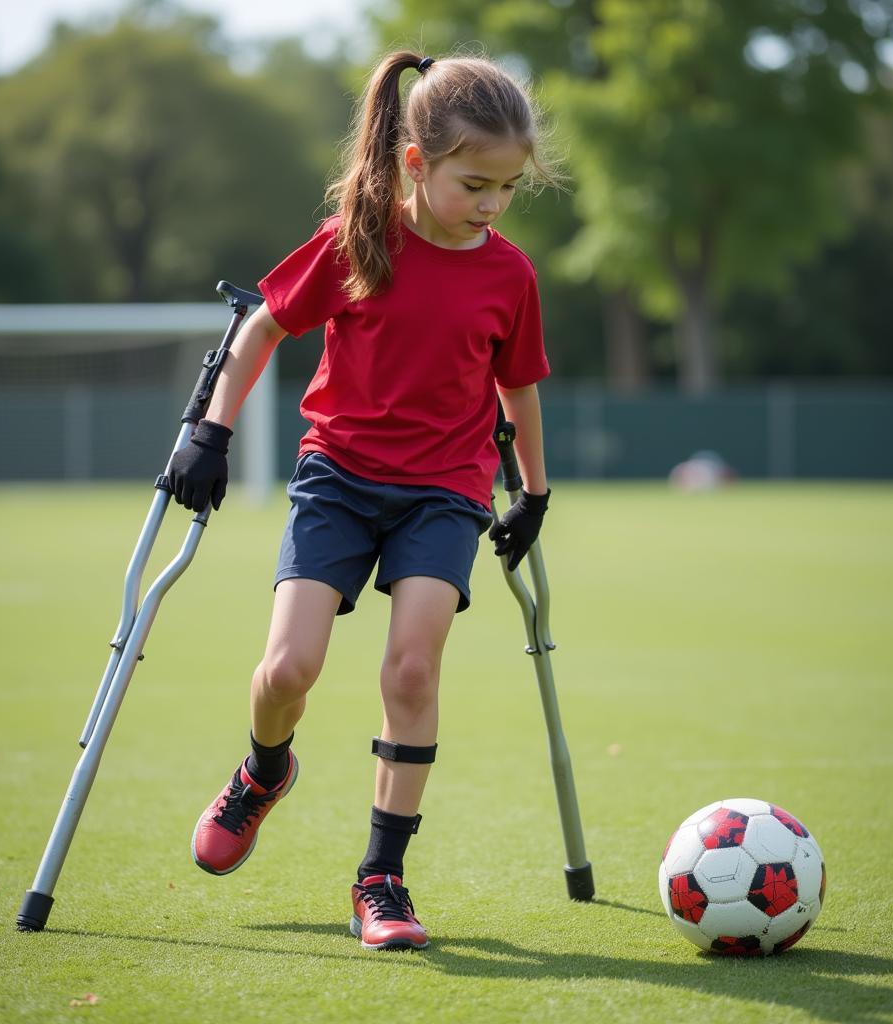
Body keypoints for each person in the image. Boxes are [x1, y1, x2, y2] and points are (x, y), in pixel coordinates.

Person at [166, 50, 557, 952]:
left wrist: (533, 492)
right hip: (338, 478)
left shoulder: (512, 276)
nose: (493, 204)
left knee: (412, 671)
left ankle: (381, 878)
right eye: (475, 184)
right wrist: (211, 432)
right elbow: (263, 322)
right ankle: (264, 771)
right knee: (285, 674)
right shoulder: (361, 240)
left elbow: (521, 387)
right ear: (417, 164)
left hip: (444, 489)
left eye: (508, 187)